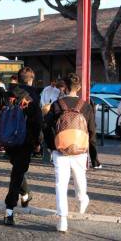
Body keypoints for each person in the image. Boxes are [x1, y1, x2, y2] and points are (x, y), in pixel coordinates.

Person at [0, 67, 41, 226]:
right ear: (31, 79)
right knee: (17, 173)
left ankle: (25, 193)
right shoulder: (33, 97)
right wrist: (38, 142)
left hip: (7, 139)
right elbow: (37, 121)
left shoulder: (7, 95)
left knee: (17, 170)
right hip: (25, 140)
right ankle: (9, 210)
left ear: (18, 79)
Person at [44, 72, 95, 232]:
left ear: (64, 87)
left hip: (60, 149)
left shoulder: (57, 105)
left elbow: (47, 127)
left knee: (61, 183)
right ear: (79, 88)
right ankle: (82, 199)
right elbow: (92, 130)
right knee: (80, 177)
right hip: (80, 149)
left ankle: (62, 219)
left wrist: (51, 146)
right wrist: (92, 152)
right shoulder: (86, 106)